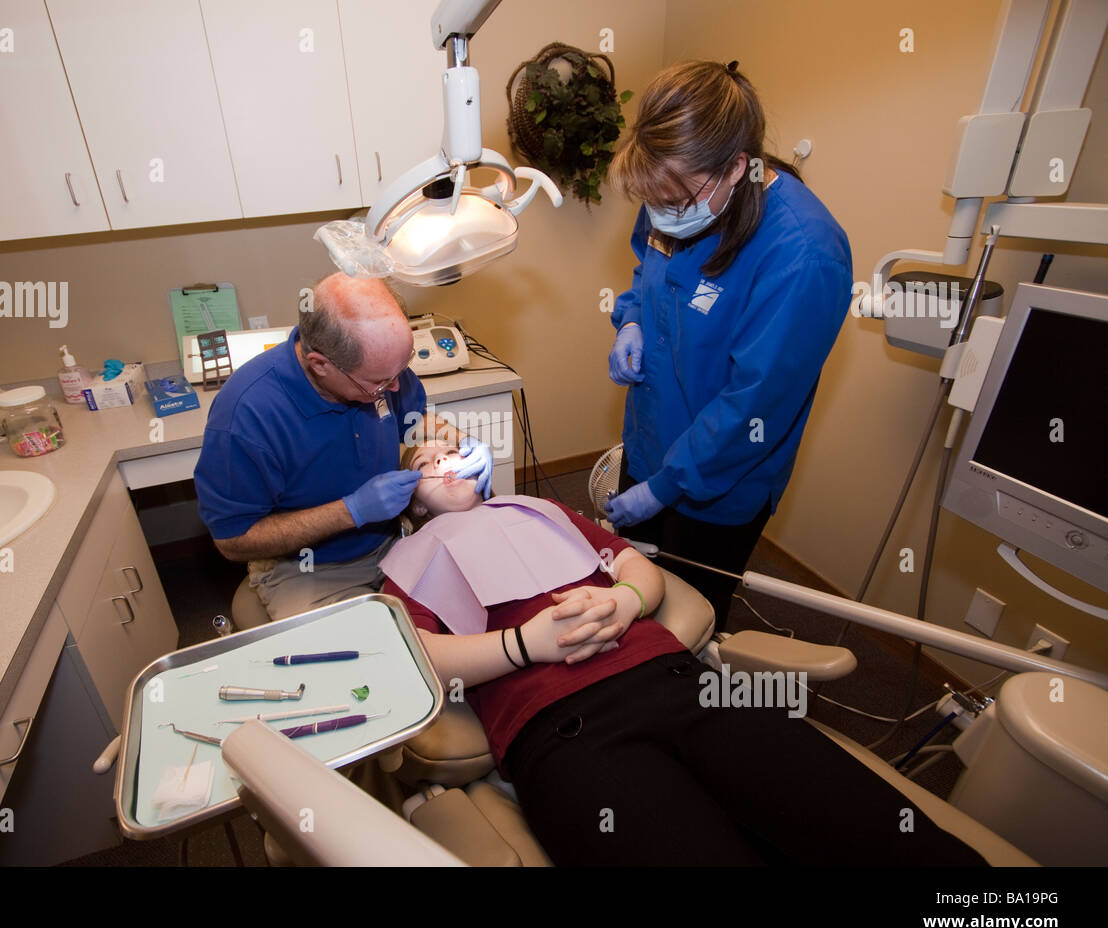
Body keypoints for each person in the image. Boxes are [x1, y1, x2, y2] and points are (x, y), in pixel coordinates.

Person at [380, 441, 986, 866]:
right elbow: (421, 655)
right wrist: (523, 643)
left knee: (881, 834)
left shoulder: (544, 511)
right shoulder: (409, 566)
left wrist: (626, 603)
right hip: (563, 732)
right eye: (426, 464)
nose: (446, 463)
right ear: (412, 503)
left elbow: (636, 566)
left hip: (683, 683)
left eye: (455, 450)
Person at [603, 60, 853, 631]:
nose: (661, 212)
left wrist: (668, 486)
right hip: (650, 438)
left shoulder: (804, 256)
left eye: (674, 200)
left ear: (737, 167)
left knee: (681, 627)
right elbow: (649, 264)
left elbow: (754, 406)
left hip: (716, 481)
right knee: (626, 596)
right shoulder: (681, 192)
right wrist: (631, 320)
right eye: (655, 199)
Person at [194, 273, 493, 621]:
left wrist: (462, 441)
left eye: (401, 370)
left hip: (393, 542)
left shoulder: (382, 366)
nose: (396, 386)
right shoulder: (245, 417)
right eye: (379, 383)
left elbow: (413, 419)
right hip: (308, 570)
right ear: (320, 364)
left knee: (465, 615)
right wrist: (352, 510)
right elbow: (233, 539)